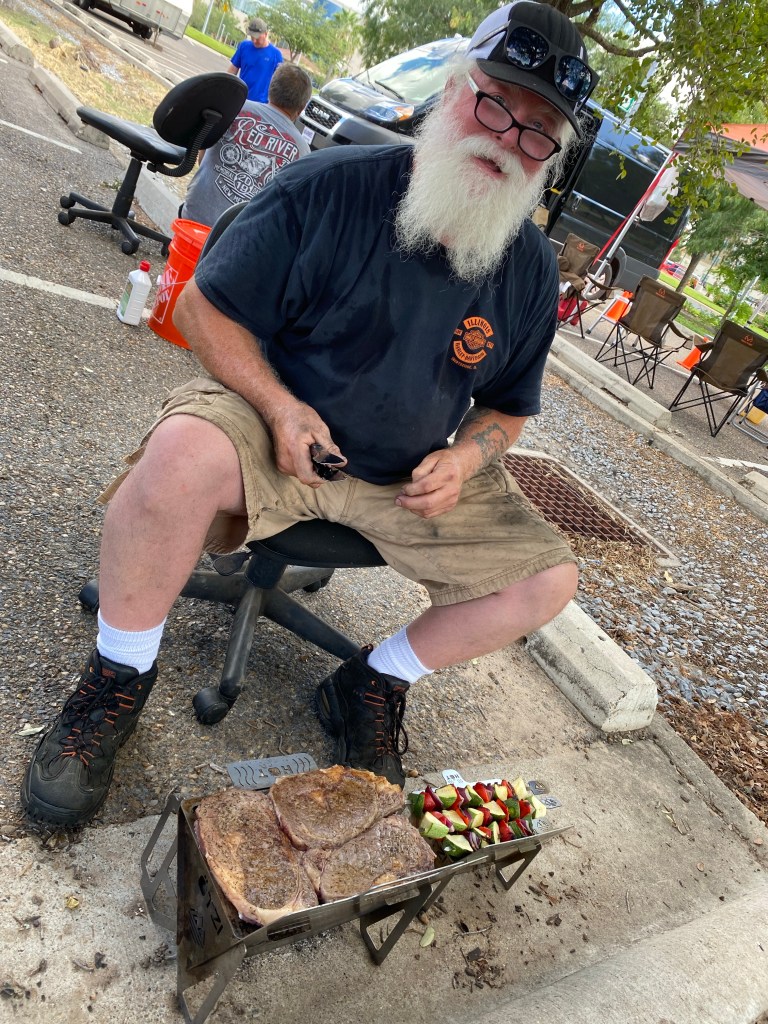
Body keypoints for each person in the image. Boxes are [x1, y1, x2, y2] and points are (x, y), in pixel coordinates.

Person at [22, 0, 598, 829]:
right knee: (178, 459)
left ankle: (373, 681)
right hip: (274, 429)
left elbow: (507, 409)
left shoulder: (530, 268)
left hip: (405, 477)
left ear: (554, 156)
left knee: (549, 579)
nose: (508, 138)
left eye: (539, 130)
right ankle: (117, 678)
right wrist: (280, 407)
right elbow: (202, 310)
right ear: (452, 90)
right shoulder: (329, 187)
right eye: (496, 102)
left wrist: (467, 458)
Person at [181, 63, 312, 228]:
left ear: (270, 89)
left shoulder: (233, 106)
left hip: (193, 218)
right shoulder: (303, 151)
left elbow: (202, 152)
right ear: (301, 108)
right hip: (240, 238)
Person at [227, 17, 284, 103]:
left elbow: (279, 83)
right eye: (252, 37)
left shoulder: (276, 55)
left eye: (257, 38)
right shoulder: (244, 46)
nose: (254, 40)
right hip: (240, 98)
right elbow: (233, 69)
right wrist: (225, 86)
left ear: (265, 34)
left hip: (260, 104)